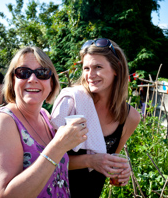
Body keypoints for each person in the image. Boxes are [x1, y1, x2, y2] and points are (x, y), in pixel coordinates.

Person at [0, 46, 88, 198]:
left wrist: (99, 162)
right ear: (12, 81)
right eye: (23, 73)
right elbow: (8, 195)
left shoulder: (45, 116)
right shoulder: (1, 123)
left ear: (51, 82)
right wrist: (58, 146)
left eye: (42, 73)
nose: (33, 79)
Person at [51, 38, 141, 197]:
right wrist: (89, 161)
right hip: (57, 193)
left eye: (98, 67)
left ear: (116, 69)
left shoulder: (130, 117)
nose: (90, 75)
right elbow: (48, 159)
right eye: (86, 68)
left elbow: (108, 161)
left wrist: (119, 172)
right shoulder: (72, 102)